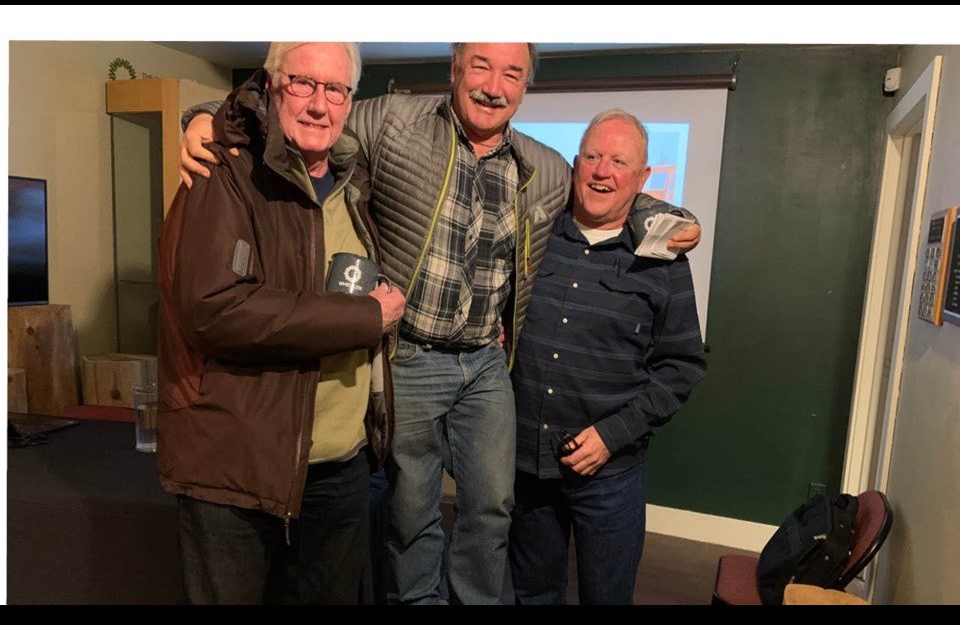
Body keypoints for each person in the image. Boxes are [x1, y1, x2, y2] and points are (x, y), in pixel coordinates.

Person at [178, 43, 703, 605]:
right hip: (410, 353)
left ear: (526, 86)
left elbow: (610, 194)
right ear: (455, 68)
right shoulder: (394, 121)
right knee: (411, 511)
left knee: (492, 506)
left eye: (511, 73)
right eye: (480, 65)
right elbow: (307, 110)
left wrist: (667, 216)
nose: (493, 86)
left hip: (483, 363)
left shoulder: (545, 168)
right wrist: (204, 116)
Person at [156, 42, 406, 605]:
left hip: (338, 469)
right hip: (236, 467)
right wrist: (365, 317)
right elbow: (217, 310)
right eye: (303, 83)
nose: (320, 104)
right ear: (270, 84)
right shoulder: (222, 168)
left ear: (349, 101)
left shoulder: (353, 180)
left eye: (335, 90)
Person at [508, 109, 707, 604]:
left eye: (619, 161)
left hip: (609, 474)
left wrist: (611, 436)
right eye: (593, 157)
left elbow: (681, 366)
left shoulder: (663, 259)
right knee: (532, 593)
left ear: (641, 180)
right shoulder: (535, 235)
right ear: (576, 165)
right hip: (526, 469)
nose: (603, 171)